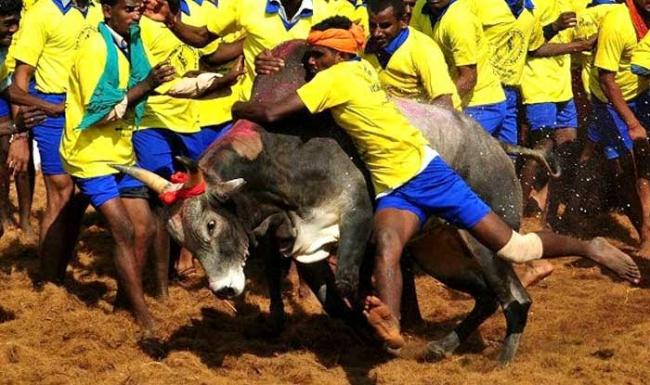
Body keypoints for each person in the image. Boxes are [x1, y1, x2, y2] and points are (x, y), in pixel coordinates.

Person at [231, 16, 641, 351]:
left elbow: (269, 115)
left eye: (319, 55)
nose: (313, 61)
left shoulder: (333, 80)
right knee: (388, 247)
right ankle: (389, 326)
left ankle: (589, 247)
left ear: (337, 54)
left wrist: (236, 104)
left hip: (429, 176)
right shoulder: (356, 67)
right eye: (313, 55)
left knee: (516, 248)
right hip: (395, 186)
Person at [60, 0, 175, 330]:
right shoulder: (95, 49)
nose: (136, 15)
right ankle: (143, 317)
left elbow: (156, 85)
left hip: (119, 152)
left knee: (146, 227)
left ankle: (127, 302)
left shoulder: (131, 42)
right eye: (128, 9)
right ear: (107, 11)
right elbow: (102, 113)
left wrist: (202, 84)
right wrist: (149, 85)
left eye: (137, 9)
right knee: (124, 230)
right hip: (90, 154)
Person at [7, 0, 103, 283]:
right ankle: (48, 281)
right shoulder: (43, 12)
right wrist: (20, 134)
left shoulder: (99, 9)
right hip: (51, 108)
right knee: (61, 192)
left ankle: (58, 267)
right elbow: (20, 79)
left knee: (79, 196)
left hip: (89, 110)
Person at [571, 0, 650, 256]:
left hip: (642, 93)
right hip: (610, 101)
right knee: (625, 169)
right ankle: (644, 235)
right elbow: (607, 80)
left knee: (645, 167)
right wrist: (632, 122)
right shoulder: (618, 22)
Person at [518, 0, 581, 223]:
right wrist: (557, 30)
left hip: (564, 91)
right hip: (538, 88)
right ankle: (516, 215)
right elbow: (529, 48)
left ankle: (549, 218)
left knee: (568, 150)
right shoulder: (532, 4)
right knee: (541, 150)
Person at [409, 0, 508, 138]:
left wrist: (435, 107)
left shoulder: (459, 20)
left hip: (481, 104)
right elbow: (413, 47)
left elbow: (468, 79)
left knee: (448, 153)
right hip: (453, 99)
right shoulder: (421, 6)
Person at [363, 0, 459, 109]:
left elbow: (444, 101)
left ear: (403, 21)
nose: (377, 33)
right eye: (372, 26)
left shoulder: (422, 49)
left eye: (385, 26)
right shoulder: (368, 46)